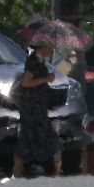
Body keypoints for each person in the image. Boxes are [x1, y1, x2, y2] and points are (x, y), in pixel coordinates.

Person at [13, 45, 62, 177]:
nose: (51, 50)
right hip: (31, 104)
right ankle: (26, 165)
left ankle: (42, 164)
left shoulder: (40, 61)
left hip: (39, 103)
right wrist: (46, 79)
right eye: (49, 47)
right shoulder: (33, 61)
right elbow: (26, 83)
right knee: (33, 132)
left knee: (39, 132)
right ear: (42, 47)